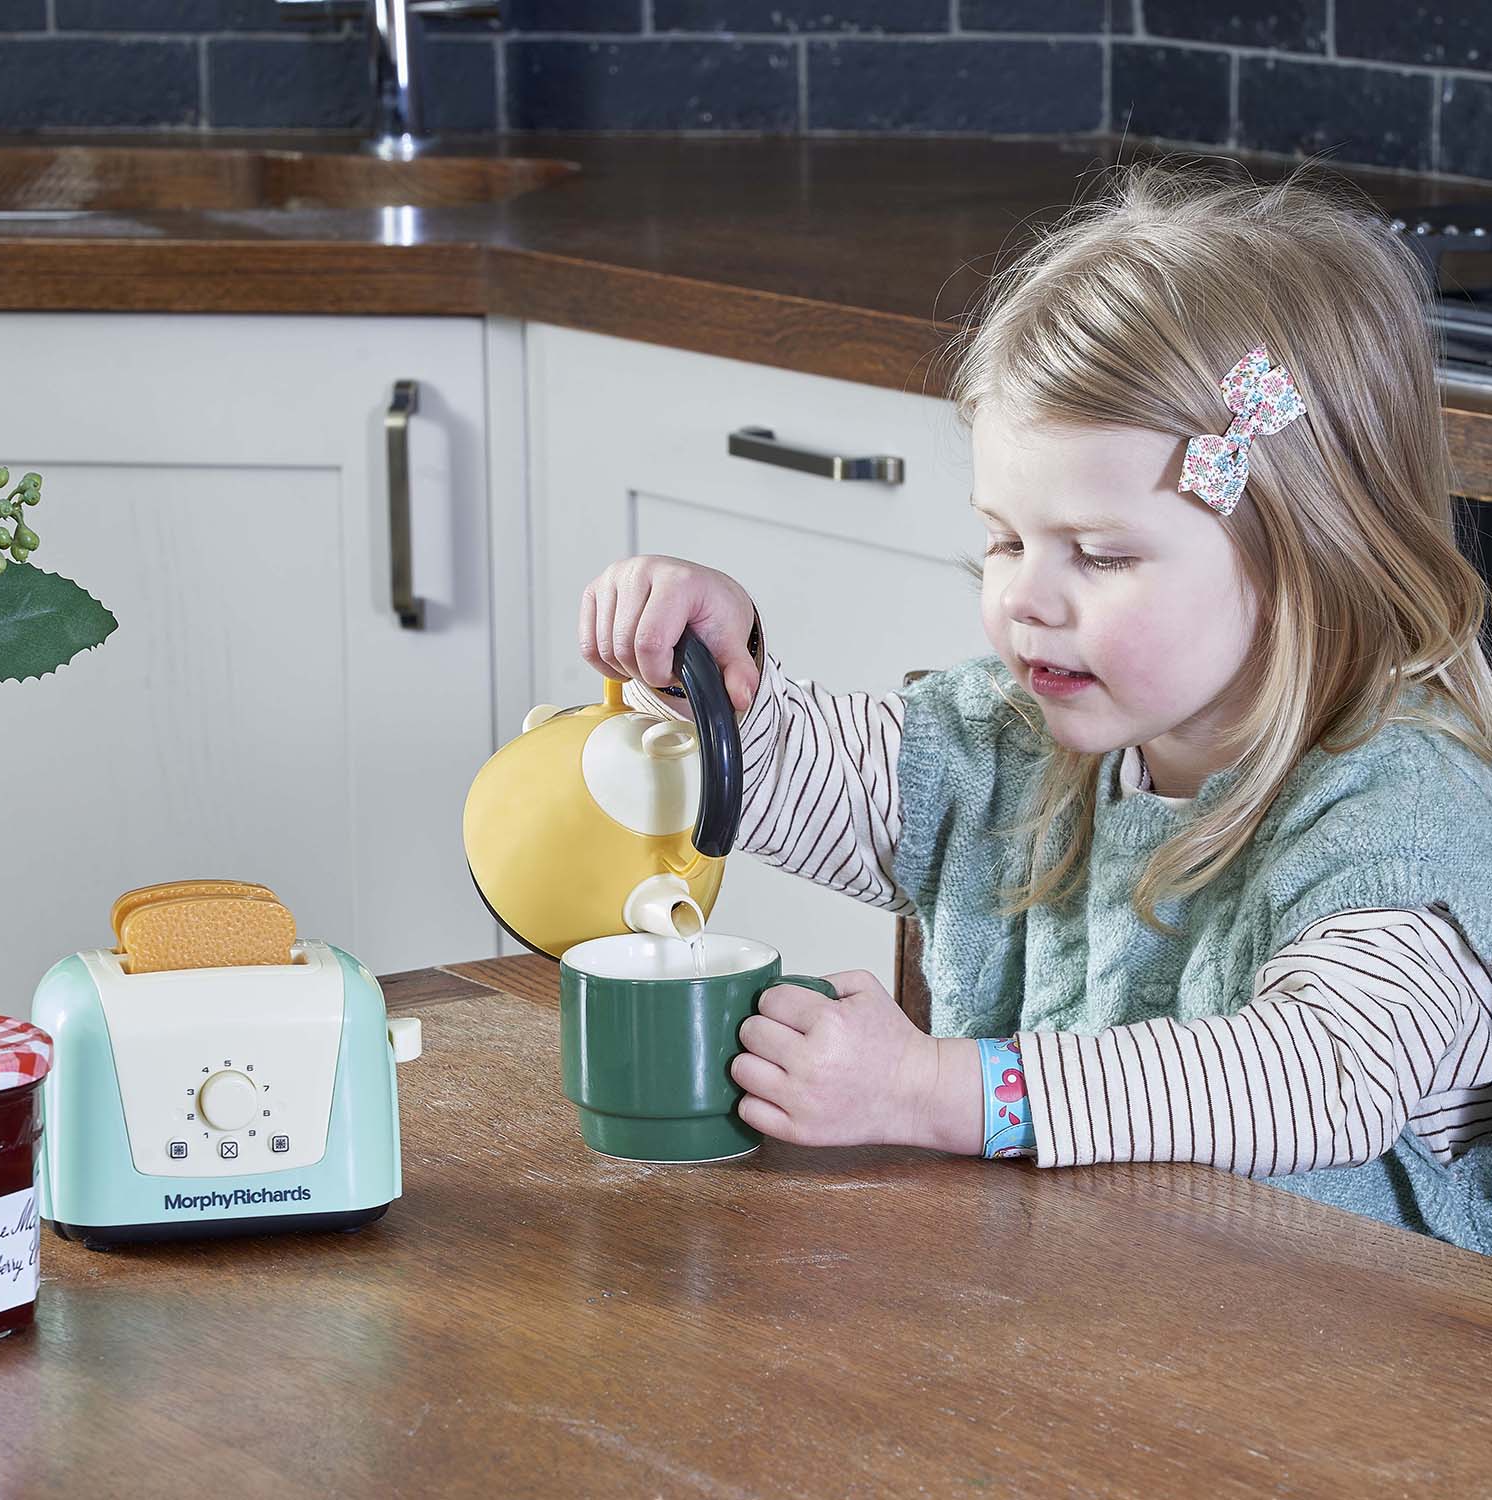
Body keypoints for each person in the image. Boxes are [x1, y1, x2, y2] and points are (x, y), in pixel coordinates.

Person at [577, 157, 1492, 1255]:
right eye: (1005, 538)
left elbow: (1321, 1076)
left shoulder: (1400, 808)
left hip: (1345, 1395)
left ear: (1301, 562)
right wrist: (718, 686)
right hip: (1087, 1337)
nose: (1024, 600)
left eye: (1099, 558)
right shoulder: (1023, 736)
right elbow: (829, 782)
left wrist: (932, 1092)